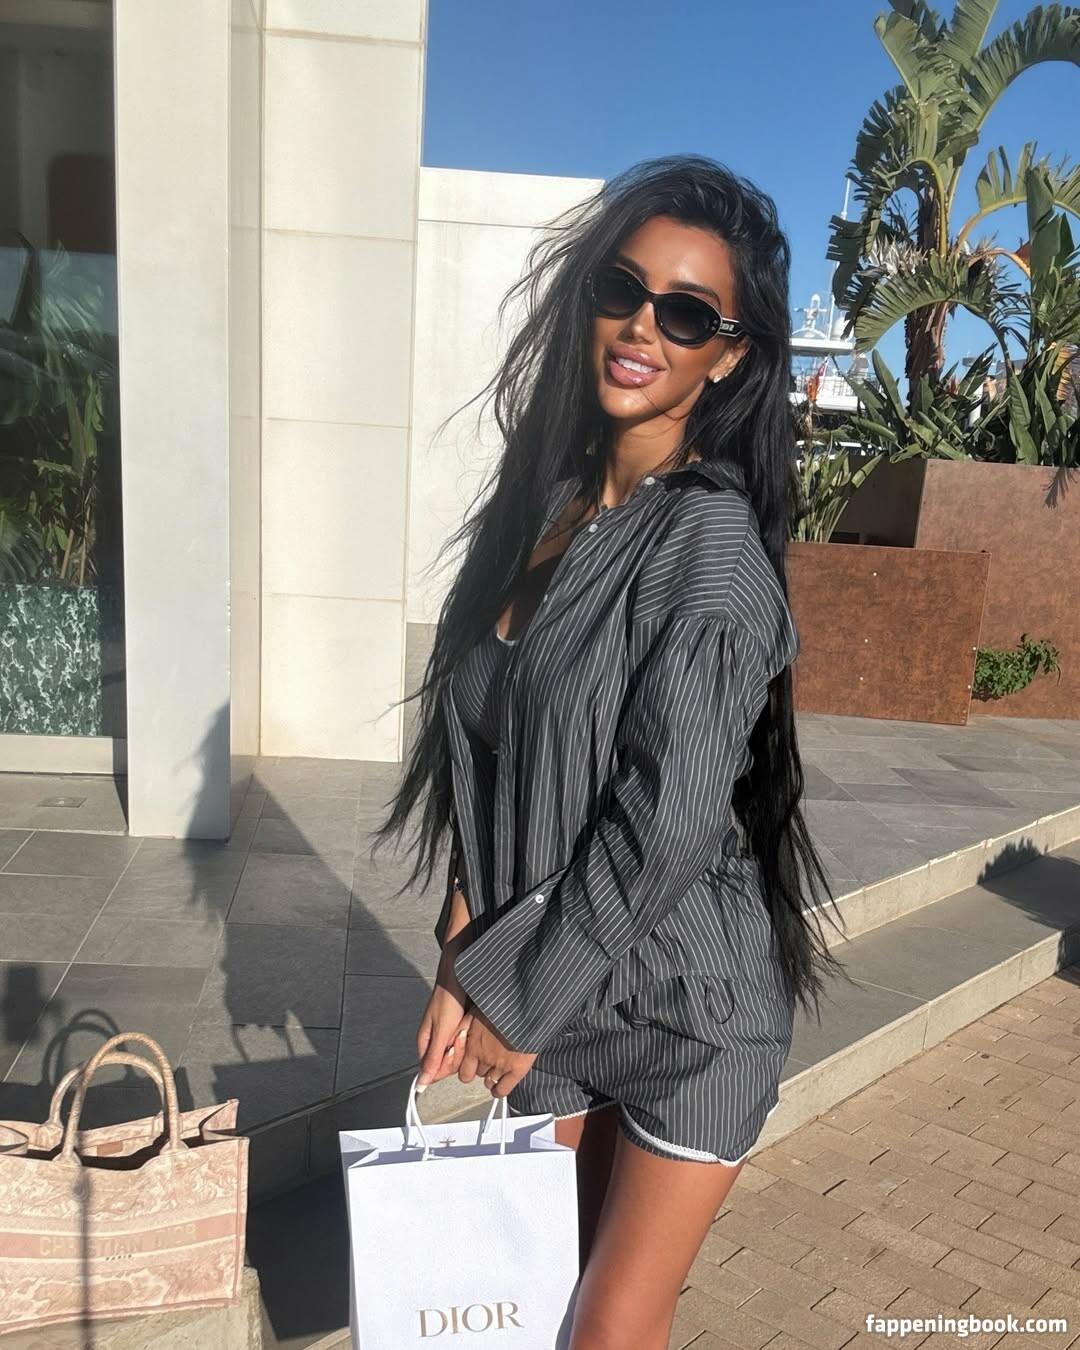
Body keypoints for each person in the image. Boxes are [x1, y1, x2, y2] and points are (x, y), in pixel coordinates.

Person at [369, 155, 849, 1350]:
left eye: (686, 313)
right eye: (623, 290)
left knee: (606, 1326)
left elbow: (667, 822)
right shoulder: (545, 516)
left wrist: (519, 996)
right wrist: (461, 952)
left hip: (689, 1007)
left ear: (727, 355)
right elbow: (488, 763)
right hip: (558, 980)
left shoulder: (709, 548)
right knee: (522, 1303)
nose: (643, 326)